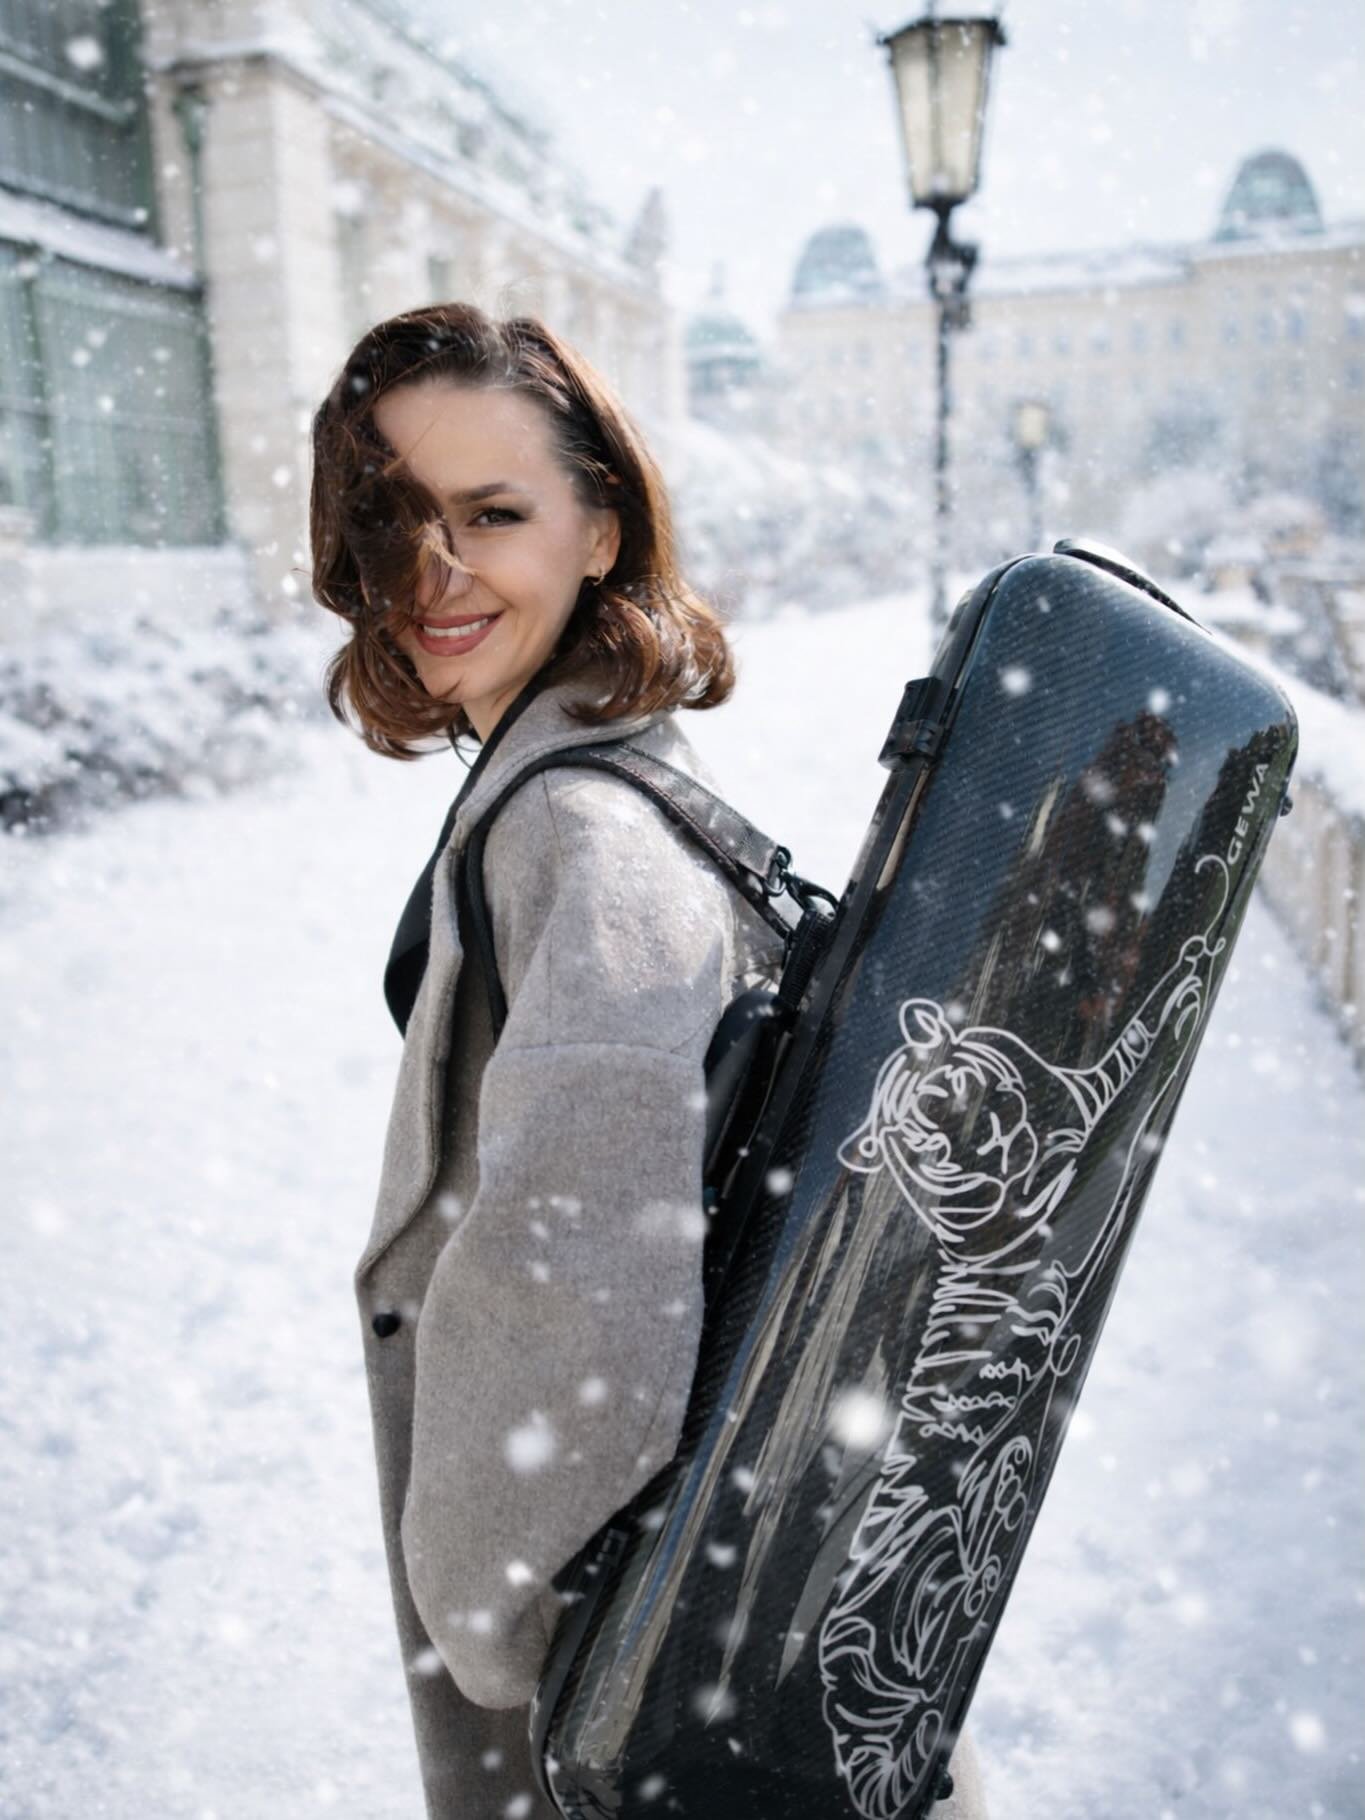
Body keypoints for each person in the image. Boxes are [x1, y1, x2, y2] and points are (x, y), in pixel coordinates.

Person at [308, 303, 990, 1819]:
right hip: (697, 1612)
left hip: (616, 1672)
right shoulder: (612, 779)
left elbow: (577, 1254)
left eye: (492, 513)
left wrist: (490, 1601)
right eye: (392, 516)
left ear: (601, 530)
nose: (433, 569)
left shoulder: (575, 827)